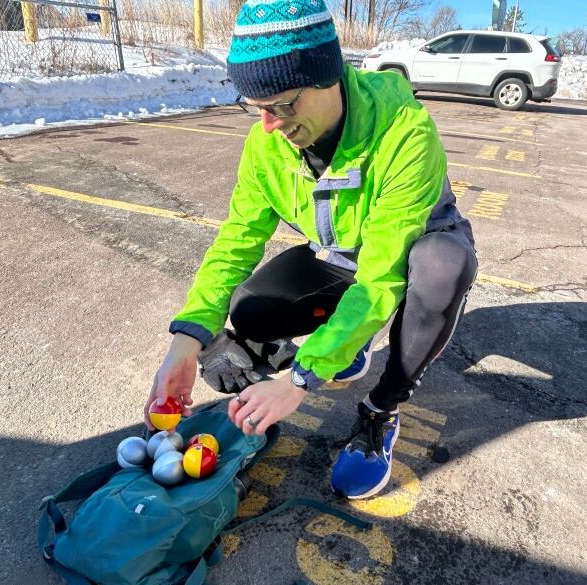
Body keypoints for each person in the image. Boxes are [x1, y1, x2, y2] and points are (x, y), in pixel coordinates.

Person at [145, 0, 476, 500]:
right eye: (256, 106)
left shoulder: (405, 132)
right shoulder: (268, 142)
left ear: (327, 78)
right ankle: (347, 342)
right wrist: (186, 342)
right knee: (250, 311)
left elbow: (382, 275)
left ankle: (380, 411)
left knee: (441, 269)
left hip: (410, 252)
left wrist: (299, 379)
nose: (269, 125)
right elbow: (237, 240)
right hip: (342, 257)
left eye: (283, 104)